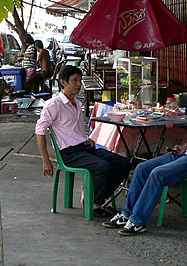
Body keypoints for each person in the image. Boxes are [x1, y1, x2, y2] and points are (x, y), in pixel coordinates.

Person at [104, 74, 187, 235]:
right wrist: (183, 147)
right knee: (142, 168)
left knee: (158, 174)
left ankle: (137, 221)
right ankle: (126, 214)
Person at [35, 65, 130, 217]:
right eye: (74, 80)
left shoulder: (77, 104)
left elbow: (74, 130)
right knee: (102, 167)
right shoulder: (54, 104)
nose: (78, 84)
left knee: (123, 164)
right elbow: (39, 131)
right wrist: (45, 160)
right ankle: (94, 205)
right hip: (68, 152)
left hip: (84, 148)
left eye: (79, 80)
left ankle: (92, 194)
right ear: (63, 82)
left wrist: (87, 138)